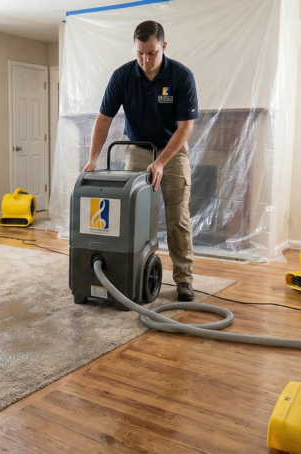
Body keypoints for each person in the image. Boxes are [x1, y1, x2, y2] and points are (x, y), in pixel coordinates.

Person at [85, 20, 198, 301]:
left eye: (151, 53)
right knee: (132, 217)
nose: (145, 60)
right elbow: (104, 119)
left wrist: (160, 161)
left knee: (177, 217)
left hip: (172, 152)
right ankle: (131, 272)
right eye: (140, 53)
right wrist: (93, 158)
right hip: (136, 152)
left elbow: (185, 127)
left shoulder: (181, 76)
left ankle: (184, 280)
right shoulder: (122, 76)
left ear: (163, 46)